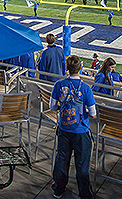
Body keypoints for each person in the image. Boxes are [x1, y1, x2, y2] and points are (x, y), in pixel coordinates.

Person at [50, 55, 96, 199]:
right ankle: (84, 193)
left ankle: (58, 189)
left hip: (63, 129)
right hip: (81, 131)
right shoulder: (86, 88)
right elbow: (93, 113)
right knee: (82, 164)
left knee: (62, 160)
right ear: (80, 68)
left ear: (67, 69)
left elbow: (52, 106)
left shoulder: (59, 84)